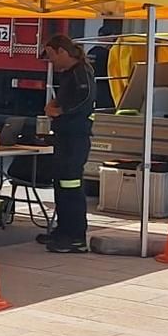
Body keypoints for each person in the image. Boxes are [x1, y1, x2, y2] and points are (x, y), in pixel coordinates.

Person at [38, 34, 96, 254]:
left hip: (75, 138)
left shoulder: (81, 72)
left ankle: (75, 237)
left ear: (62, 52)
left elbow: (83, 99)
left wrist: (59, 111)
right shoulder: (70, 73)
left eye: (52, 56)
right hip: (65, 137)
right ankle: (63, 231)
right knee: (62, 185)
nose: (51, 62)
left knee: (71, 186)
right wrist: (54, 104)